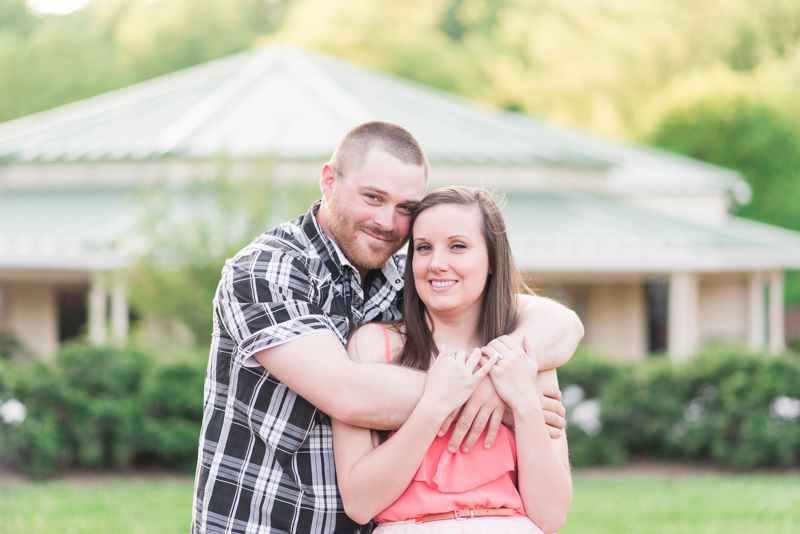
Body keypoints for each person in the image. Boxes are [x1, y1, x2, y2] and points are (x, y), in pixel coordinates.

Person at [192, 121, 583, 534]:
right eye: (373, 197)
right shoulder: (268, 269)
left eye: (405, 209)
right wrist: (495, 391)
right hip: (266, 520)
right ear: (329, 181)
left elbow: (561, 323)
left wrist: (499, 382)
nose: (386, 221)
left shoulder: (408, 279)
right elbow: (346, 392)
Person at [333, 186, 572, 534]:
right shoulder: (373, 348)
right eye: (424, 248)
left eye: (457, 246)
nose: (437, 263)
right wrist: (433, 405)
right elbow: (359, 503)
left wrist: (523, 402)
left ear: (492, 259)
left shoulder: (526, 356)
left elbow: (551, 517)